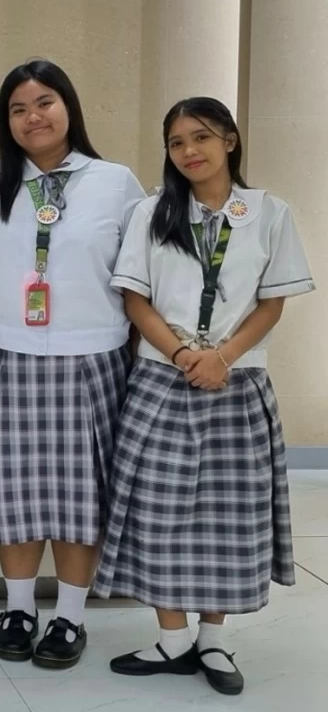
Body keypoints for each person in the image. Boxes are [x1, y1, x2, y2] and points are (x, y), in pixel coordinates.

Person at [94, 97, 314, 696]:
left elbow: (272, 302)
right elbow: (133, 298)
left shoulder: (266, 213)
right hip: (163, 381)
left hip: (236, 383)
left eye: (201, 138)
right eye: (176, 143)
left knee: (228, 515)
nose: (189, 152)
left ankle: (212, 639)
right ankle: (171, 638)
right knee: (156, 512)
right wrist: (183, 354)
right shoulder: (152, 212)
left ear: (231, 141)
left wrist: (222, 357)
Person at [0, 60, 146, 669]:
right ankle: (18, 609)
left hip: (90, 360)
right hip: (0, 355)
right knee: (18, 498)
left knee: (80, 502)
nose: (33, 117)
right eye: (18, 108)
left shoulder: (116, 183)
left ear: (69, 107)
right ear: (6, 121)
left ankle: (70, 618)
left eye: (45, 102)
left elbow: (140, 279)